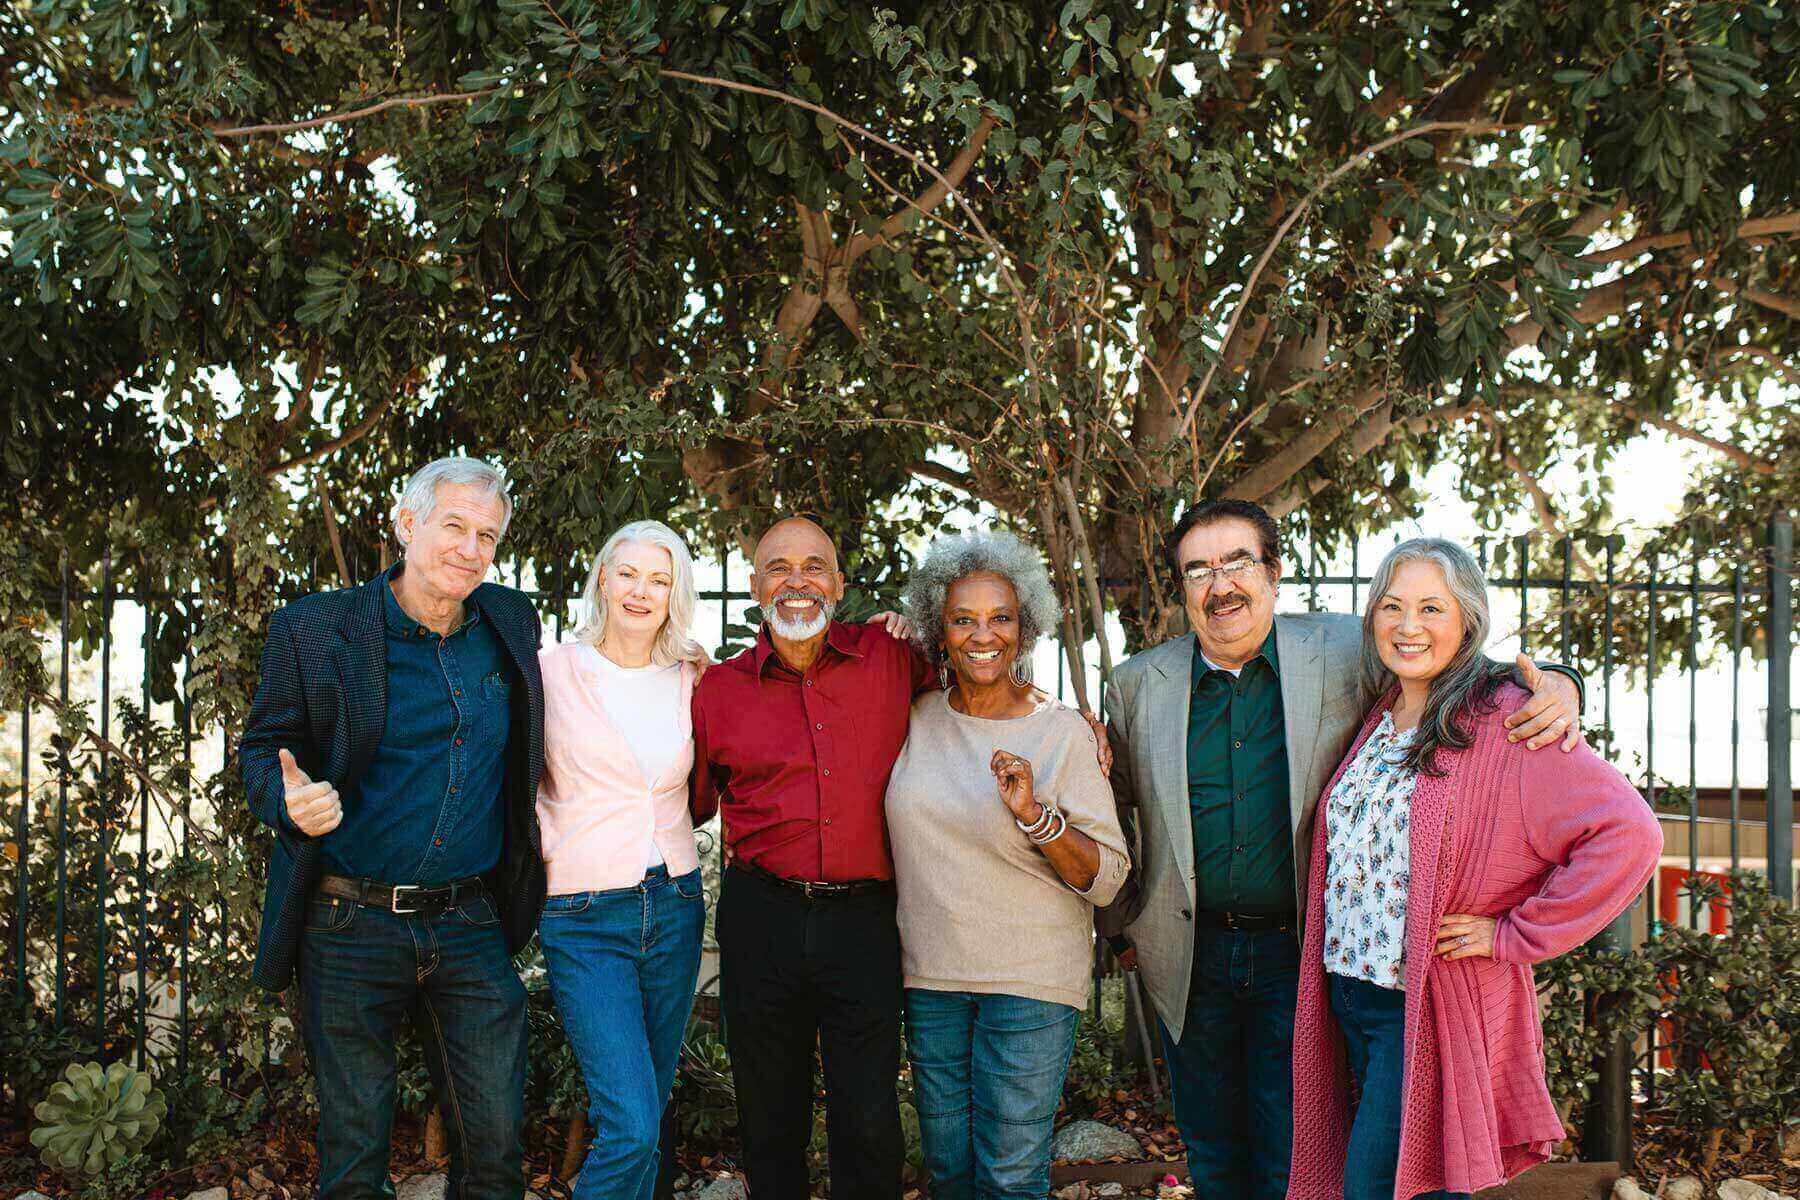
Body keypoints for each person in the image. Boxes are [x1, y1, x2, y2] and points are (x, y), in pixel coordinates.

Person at [1097, 499, 1585, 1200]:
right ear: (1181, 587)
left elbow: (1453, 663)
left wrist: (1563, 683)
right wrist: (1123, 931)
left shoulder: (1340, 651)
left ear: (1274, 572)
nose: (1219, 584)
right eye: (1198, 569)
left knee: (1294, 1152)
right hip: (1189, 959)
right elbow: (1112, 812)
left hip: (1298, 955)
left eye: (1238, 562)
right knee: (1210, 1148)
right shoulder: (1139, 682)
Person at [1288, 538, 1662, 1200]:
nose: (1409, 627)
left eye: (1432, 607)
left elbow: (1630, 833)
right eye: (1392, 606)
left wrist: (1511, 935)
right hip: (1352, 995)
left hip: (1423, 1006)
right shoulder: (1381, 712)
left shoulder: (1504, 714)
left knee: (1380, 1188)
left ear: (1467, 620)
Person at [240, 456, 545, 1200]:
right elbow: (260, 750)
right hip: (349, 921)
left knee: (498, 1145)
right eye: (454, 527)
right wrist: (290, 803)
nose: (471, 549)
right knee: (354, 1156)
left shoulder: (510, 620)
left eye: (488, 536)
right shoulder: (314, 630)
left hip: (469, 921)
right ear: (406, 524)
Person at [688, 516, 930, 1200]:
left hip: (865, 920)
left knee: (869, 1118)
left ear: (841, 584)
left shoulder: (892, 656)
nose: (797, 581)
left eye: (814, 566)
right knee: (769, 1115)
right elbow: (690, 804)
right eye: (777, 568)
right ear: (755, 589)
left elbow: (982, 697)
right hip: (760, 914)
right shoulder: (718, 691)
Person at [885, 529, 1130, 1200]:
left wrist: (1036, 816)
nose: (981, 634)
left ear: (1025, 629)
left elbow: (1107, 875)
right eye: (963, 618)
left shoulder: (1061, 732)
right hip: (930, 978)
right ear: (939, 626)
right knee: (949, 1173)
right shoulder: (913, 717)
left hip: (1028, 985)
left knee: (1010, 1175)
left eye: (1000, 617)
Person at [535, 520, 712, 1200]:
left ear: (676, 593)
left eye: (660, 579)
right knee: (633, 1124)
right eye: (630, 573)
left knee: (646, 1115)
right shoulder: (551, 671)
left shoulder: (692, 674)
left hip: (673, 907)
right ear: (603, 578)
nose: (642, 591)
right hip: (583, 916)